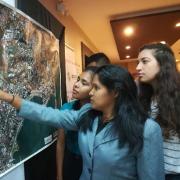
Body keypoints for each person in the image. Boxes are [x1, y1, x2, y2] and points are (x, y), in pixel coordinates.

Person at [0, 65, 164, 180]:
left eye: (96, 88)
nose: (90, 93)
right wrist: (9, 98)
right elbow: (48, 114)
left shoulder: (146, 129)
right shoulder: (87, 114)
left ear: (115, 92)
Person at [136, 42, 180, 180]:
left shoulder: (177, 95)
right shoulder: (145, 96)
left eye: (144, 61)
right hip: (152, 171)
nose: (138, 67)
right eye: (138, 62)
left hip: (174, 173)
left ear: (163, 64)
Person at [56, 66, 97, 180]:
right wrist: (59, 174)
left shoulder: (99, 112)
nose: (76, 84)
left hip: (92, 164)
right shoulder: (66, 108)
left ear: (94, 89)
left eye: (84, 83)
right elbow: (60, 143)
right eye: (78, 79)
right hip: (71, 161)